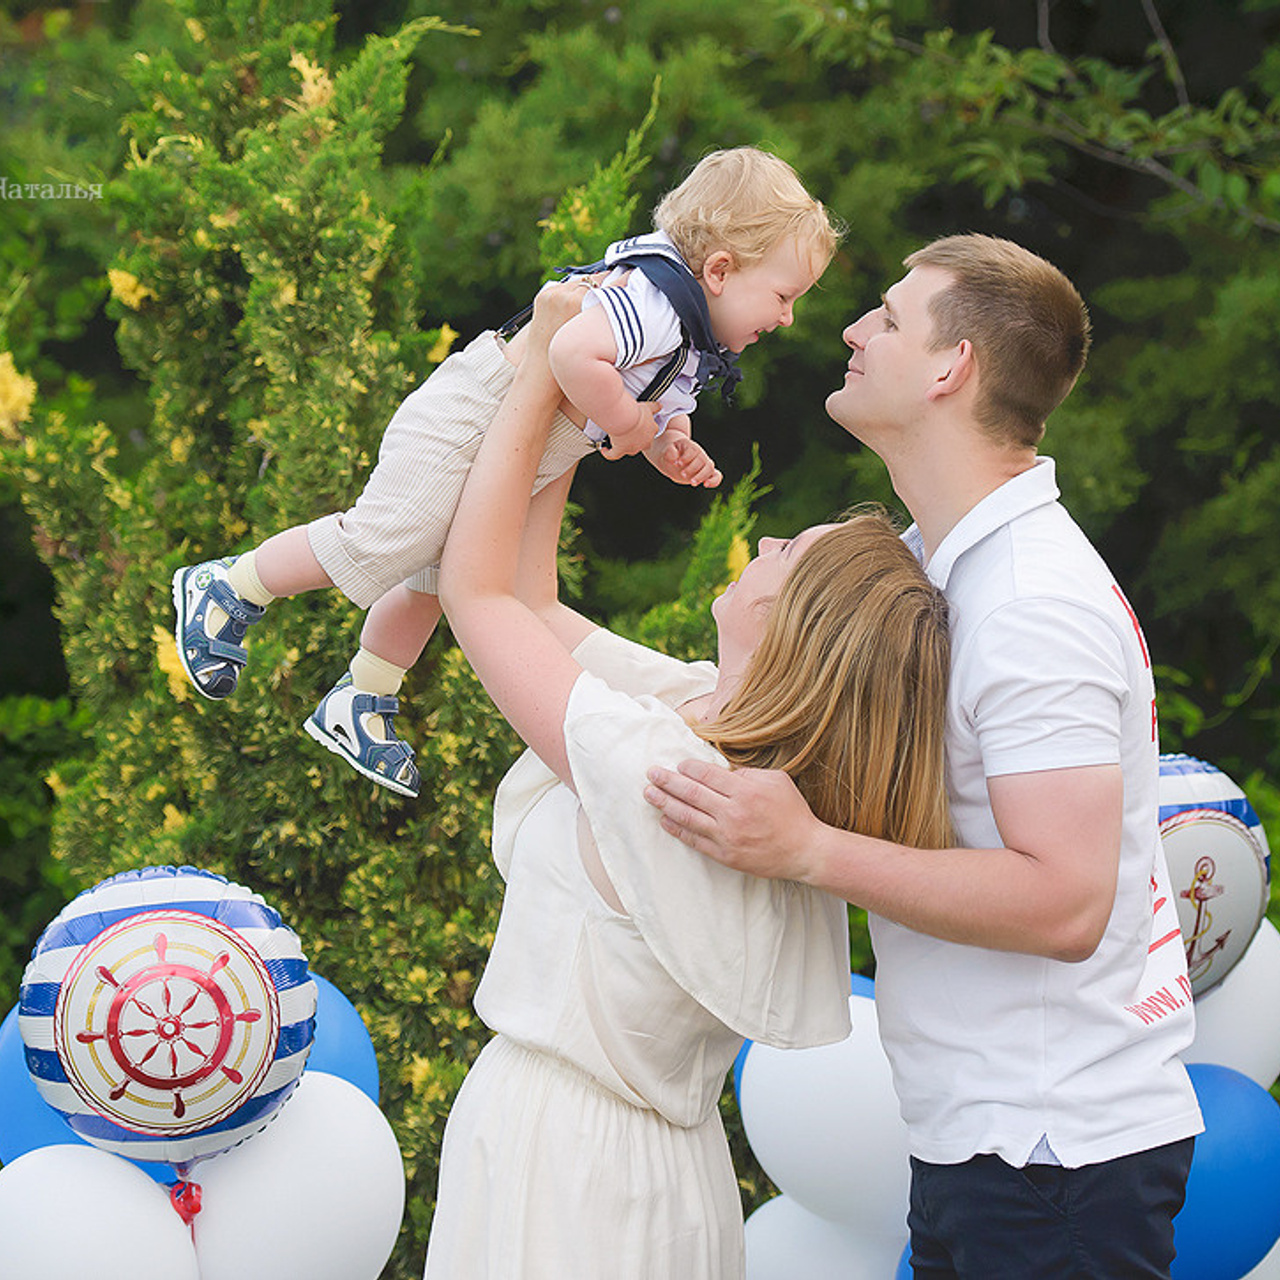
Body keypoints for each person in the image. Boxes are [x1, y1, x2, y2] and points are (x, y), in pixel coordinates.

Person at [643, 234, 1204, 1279]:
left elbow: (1066, 903)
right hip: (988, 1146)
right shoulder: (935, 562)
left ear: (953, 368)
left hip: (1053, 1158)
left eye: (890, 318)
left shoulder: (1031, 603)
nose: (854, 330)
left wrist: (810, 850)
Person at [419, 281, 952, 1278]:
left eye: (788, 551)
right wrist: (581, 412)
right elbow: (532, 600)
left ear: (790, 624)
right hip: (667, 1169)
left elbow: (475, 592)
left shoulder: (667, 768)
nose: (766, 543)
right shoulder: (729, 742)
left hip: (563, 1163)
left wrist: (540, 369)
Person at [169, 146, 839, 798]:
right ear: (719, 271)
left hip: (527, 440)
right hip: (477, 411)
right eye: (784, 295)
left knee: (432, 579)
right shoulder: (654, 302)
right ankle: (231, 584)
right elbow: (571, 351)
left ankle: (363, 696)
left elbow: (662, 405)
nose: (788, 316)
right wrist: (628, 423)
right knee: (382, 540)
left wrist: (670, 442)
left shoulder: (691, 336)